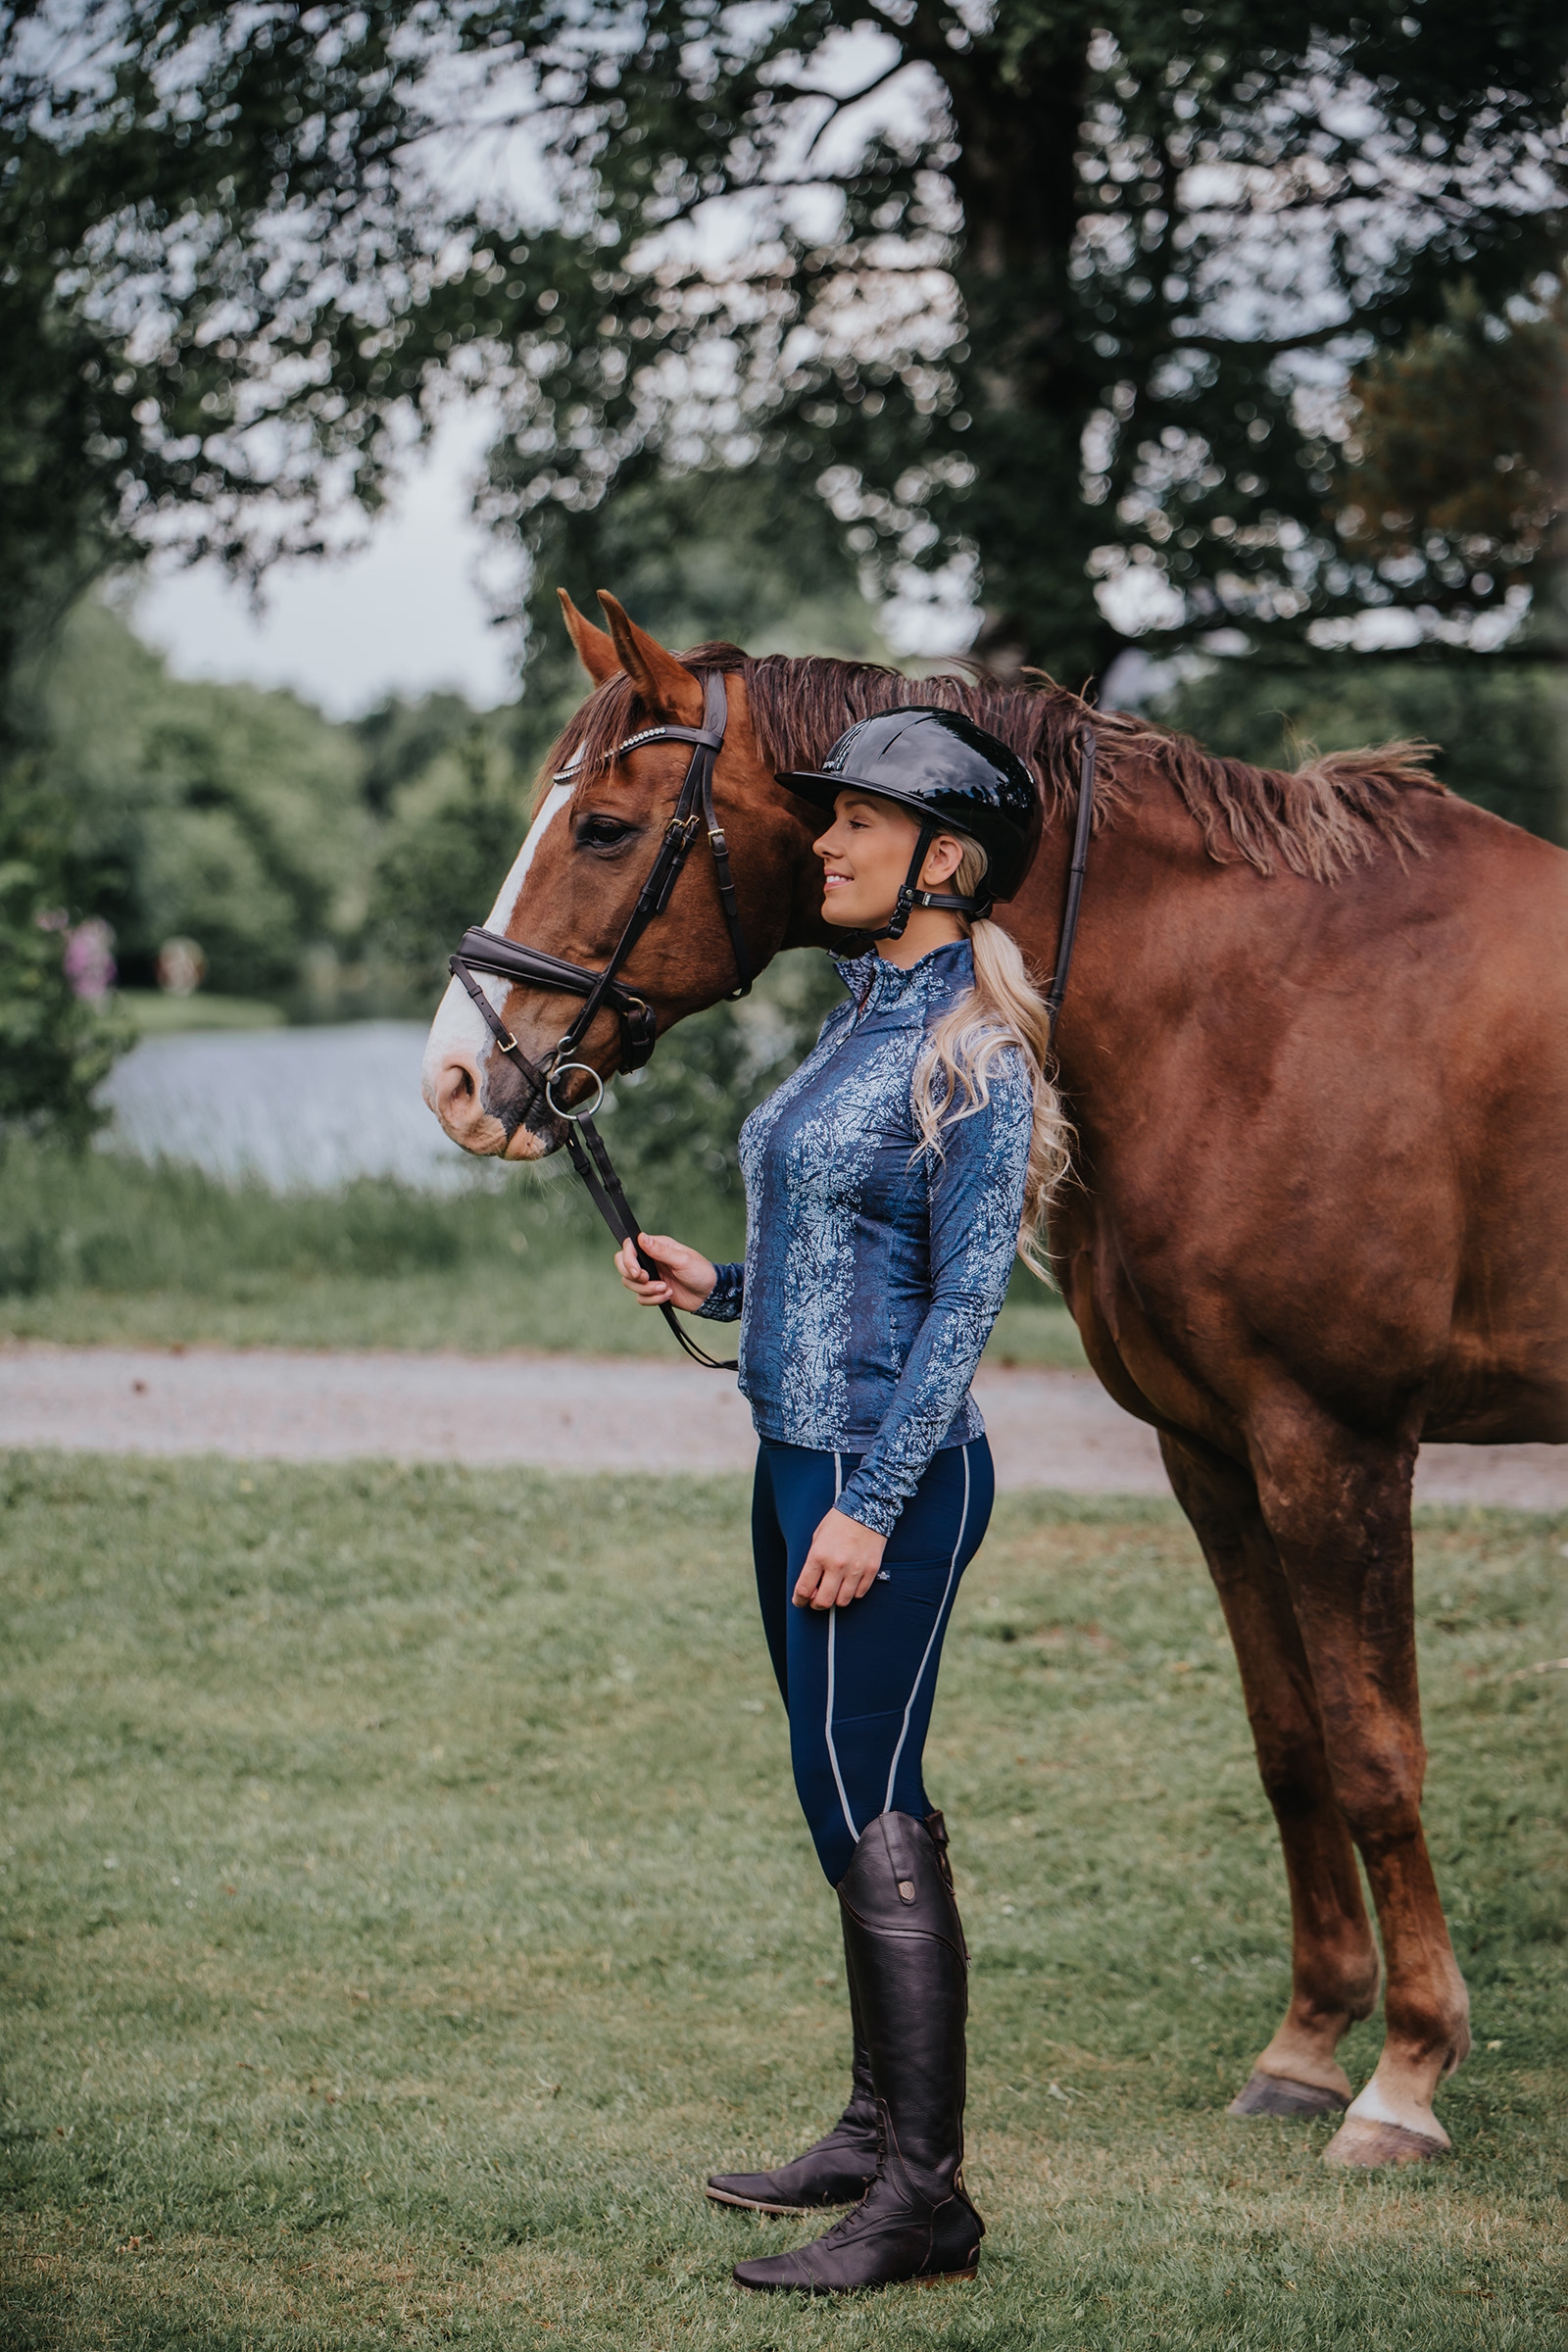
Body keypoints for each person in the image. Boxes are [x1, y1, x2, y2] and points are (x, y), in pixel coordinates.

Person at [614, 708, 1069, 2294]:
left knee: (866, 1794)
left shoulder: (974, 1050)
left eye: (857, 826)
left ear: (943, 859)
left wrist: (872, 1503)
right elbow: (842, 1258)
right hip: (791, 1456)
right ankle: (879, 2131)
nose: (825, 842)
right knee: (840, 1791)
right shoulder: (863, 1019)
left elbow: (957, 1310)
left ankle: (927, 2200)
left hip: (891, 1477)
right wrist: (718, 1281)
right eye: (833, 824)